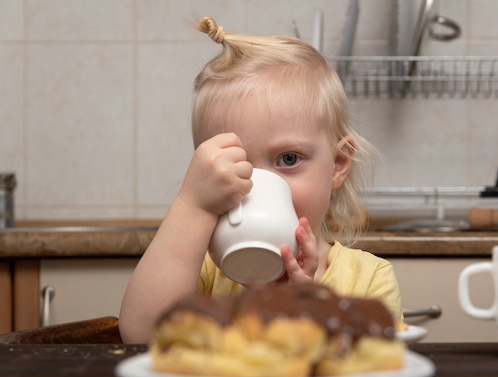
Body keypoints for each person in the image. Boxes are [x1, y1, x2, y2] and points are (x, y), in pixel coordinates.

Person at [118, 16, 403, 344]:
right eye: (234, 165)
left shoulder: (368, 279)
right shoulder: (205, 268)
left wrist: (305, 307)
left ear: (337, 164)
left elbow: (373, 367)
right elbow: (141, 337)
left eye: (289, 159)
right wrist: (192, 206)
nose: (254, 185)